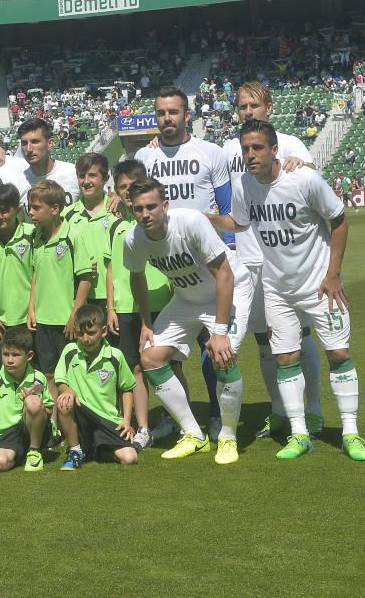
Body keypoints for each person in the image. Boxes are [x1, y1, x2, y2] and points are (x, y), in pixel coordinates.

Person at [210, 120, 365, 461]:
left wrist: (333, 274)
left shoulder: (304, 180)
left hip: (319, 286)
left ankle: (351, 432)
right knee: (285, 359)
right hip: (277, 289)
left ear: (274, 150)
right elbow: (239, 223)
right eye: (245, 149)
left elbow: (339, 219)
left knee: (338, 354)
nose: (250, 155)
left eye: (257, 148)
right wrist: (206, 217)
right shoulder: (243, 185)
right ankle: (299, 434)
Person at [124, 177, 252, 465]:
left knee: (223, 355)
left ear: (165, 206)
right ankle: (194, 434)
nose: (145, 214)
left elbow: (225, 274)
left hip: (232, 289)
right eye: (138, 209)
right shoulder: (133, 239)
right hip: (187, 297)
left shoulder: (191, 223)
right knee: (150, 357)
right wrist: (146, 322)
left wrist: (219, 332)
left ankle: (229, 437)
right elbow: (137, 277)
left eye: (152, 207)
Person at [223, 84, 323, 439]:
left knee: (299, 335)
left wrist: (302, 162)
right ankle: (279, 410)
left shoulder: (290, 142)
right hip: (247, 259)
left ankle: (313, 410)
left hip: (284, 261)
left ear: (268, 107)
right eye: (241, 106)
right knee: (265, 342)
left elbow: (309, 181)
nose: (247, 112)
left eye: (253, 105)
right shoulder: (228, 148)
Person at [131, 86, 231, 439]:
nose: (167, 119)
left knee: (212, 345)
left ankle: (218, 414)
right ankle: (180, 419)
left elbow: (226, 207)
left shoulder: (210, 153)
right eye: (161, 113)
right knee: (166, 350)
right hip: (166, 265)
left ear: (187, 114)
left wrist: (228, 251)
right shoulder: (146, 156)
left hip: (206, 260)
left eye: (174, 112)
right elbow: (129, 193)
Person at [106, 160, 174, 449]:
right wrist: (110, 307)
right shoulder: (115, 228)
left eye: (133, 187)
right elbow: (110, 268)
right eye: (123, 188)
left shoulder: (160, 224)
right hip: (125, 307)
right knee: (134, 367)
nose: (128, 193)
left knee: (168, 365)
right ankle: (143, 427)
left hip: (160, 301)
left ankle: (176, 419)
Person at [28, 179, 92, 401]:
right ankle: (57, 426)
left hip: (66, 321)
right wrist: (31, 309)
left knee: (71, 374)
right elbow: (36, 274)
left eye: (36, 208)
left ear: (55, 209)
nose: (30, 212)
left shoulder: (72, 236)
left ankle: (77, 426)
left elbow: (85, 277)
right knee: (48, 374)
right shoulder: (35, 237)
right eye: (29, 207)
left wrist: (75, 314)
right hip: (42, 320)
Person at [54, 305, 139, 469]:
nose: (85, 339)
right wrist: (68, 390)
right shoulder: (69, 351)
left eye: (91, 333)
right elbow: (59, 380)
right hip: (80, 412)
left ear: (104, 331)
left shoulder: (115, 356)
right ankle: (75, 450)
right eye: (80, 333)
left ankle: (97, 450)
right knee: (64, 401)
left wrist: (127, 420)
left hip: (106, 418)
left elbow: (127, 388)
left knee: (130, 458)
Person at [0, 326, 54, 474]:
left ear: (29, 355)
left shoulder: (38, 378)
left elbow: (49, 409)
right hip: (7, 434)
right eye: (5, 354)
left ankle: (34, 451)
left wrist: (33, 402)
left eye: (15, 355)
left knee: (33, 403)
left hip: (34, 430)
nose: (9, 360)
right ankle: (20, 454)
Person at [0, 183, 35, 363]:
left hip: (27, 319)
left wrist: (32, 310)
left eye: (5, 211)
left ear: (17, 209)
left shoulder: (32, 235)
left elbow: (37, 275)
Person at [66, 154, 120, 309]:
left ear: (105, 178)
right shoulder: (66, 216)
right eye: (81, 176)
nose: (86, 181)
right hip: (82, 297)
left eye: (92, 175)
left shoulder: (118, 210)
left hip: (116, 296)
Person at [18, 117, 79, 205]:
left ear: (50, 144)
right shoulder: (18, 182)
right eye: (24, 143)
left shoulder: (73, 173)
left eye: (35, 142)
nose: (29, 149)